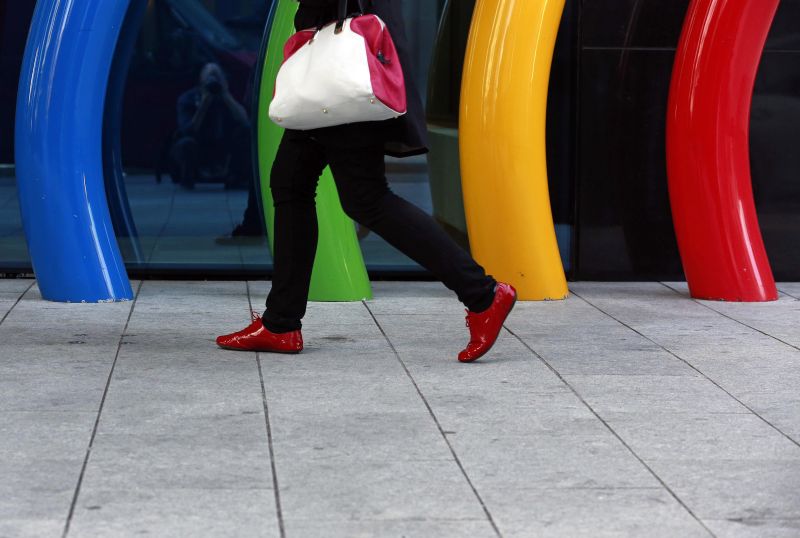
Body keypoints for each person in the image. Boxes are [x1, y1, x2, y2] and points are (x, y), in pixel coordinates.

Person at [216, 0, 517, 363]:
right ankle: (280, 323)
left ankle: (483, 294)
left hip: (343, 67)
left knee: (365, 197)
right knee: (291, 182)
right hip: (334, 65)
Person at [169, 63, 254, 191]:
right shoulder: (188, 98)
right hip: (199, 144)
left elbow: (244, 121)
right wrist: (203, 104)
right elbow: (188, 130)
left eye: (217, 76)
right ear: (201, 80)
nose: (213, 80)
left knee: (247, 133)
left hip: (224, 145)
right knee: (185, 143)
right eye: (209, 76)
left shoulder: (227, 97)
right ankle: (188, 177)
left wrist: (226, 95)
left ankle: (236, 177)